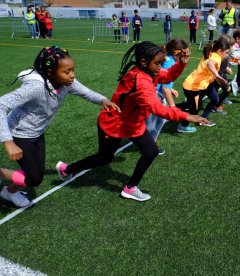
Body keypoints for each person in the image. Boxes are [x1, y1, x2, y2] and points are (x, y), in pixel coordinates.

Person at [56, 42, 208, 202]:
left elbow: (168, 76)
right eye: (157, 63)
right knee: (104, 158)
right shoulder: (141, 80)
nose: (160, 67)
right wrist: (188, 116)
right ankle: (67, 169)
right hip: (113, 124)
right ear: (143, 62)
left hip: (133, 123)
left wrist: (181, 64)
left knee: (151, 151)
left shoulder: (150, 73)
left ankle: (130, 188)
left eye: (161, 63)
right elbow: (157, 108)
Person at [0, 46, 119, 207]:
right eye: (67, 71)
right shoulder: (35, 87)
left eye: (72, 69)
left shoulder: (66, 83)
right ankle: (7, 184)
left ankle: (8, 192)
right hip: (18, 134)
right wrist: (8, 141)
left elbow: (86, 92)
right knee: (34, 178)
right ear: (50, 73)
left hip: (37, 133)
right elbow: (2, 104)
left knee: (35, 174)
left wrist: (103, 100)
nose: (72, 75)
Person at [177, 37, 230, 132]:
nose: (227, 55)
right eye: (226, 52)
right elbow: (210, 64)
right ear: (219, 51)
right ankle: (182, 126)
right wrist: (217, 75)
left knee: (215, 99)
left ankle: (203, 119)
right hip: (193, 86)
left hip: (204, 84)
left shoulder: (213, 51)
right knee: (194, 110)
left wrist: (215, 78)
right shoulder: (217, 57)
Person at [145, 39, 190, 149]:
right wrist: (172, 106)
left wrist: (171, 89)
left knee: (159, 121)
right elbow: (165, 87)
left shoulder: (168, 59)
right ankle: (150, 146)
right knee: (152, 124)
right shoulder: (170, 62)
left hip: (155, 93)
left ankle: (151, 144)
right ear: (177, 53)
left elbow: (164, 81)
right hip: (155, 96)